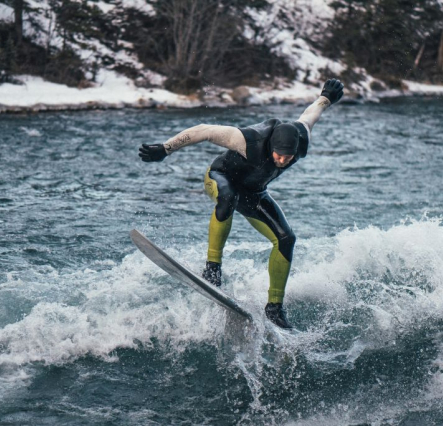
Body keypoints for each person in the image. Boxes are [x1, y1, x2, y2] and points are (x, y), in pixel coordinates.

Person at [139, 79, 344, 329]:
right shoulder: (247, 139)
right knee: (228, 197)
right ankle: (212, 268)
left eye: (287, 157)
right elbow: (204, 130)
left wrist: (326, 98)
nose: (282, 160)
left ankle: (275, 308)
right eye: (278, 155)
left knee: (286, 239)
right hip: (220, 178)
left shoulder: (301, 138)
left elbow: (311, 113)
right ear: (271, 146)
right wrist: (165, 148)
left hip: (254, 192)